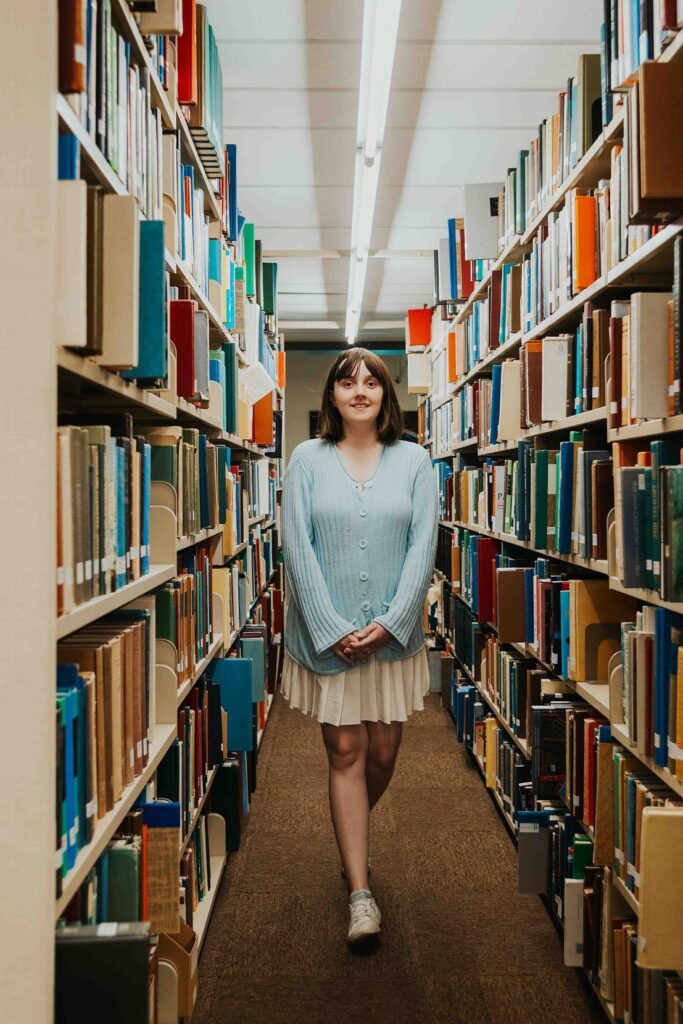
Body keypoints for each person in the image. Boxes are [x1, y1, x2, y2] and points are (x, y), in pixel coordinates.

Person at [280, 347, 438, 945]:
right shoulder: (306, 460)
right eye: (348, 382)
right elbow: (297, 546)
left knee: (382, 753)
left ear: (386, 395)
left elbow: (424, 547)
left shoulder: (416, 462)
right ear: (333, 397)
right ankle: (359, 892)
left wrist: (395, 620)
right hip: (331, 638)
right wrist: (330, 625)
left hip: (392, 638)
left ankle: (352, 834)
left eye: (372, 381)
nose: (361, 390)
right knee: (345, 749)